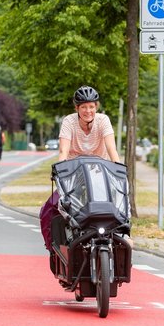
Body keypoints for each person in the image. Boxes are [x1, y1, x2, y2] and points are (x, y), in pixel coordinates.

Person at [40, 86, 121, 251]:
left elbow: (112, 149)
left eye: (91, 106)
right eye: (83, 107)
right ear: (77, 108)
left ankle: (121, 242)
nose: (88, 111)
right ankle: (54, 249)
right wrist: (60, 174)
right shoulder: (69, 122)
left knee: (118, 205)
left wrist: (118, 171)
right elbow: (63, 151)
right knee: (50, 208)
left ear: (96, 107)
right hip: (74, 174)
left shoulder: (103, 121)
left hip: (99, 174)